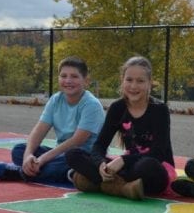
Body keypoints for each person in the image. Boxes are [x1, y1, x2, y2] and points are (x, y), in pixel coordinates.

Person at [65, 56, 175, 200]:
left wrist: (123, 160)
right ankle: (120, 187)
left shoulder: (159, 110)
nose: (133, 86)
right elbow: (99, 146)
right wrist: (101, 164)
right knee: (73, 154)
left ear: (149, 83)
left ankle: (102, 183)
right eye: (129, 80)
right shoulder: (117, 108)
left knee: (146, 166)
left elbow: (159, 152)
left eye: (140, 81)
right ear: (122, 81)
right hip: (127, 168)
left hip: (154, 168)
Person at [0, 56, 104, 183]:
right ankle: (66, 174)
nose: (68, 80)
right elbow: (39, 130)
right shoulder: (55, 100)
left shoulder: (91, 104)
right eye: (63, 76)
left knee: (70, 159)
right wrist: (28, 156)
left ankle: (21, 173)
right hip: (60, 153)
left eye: (74, 76)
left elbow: (77, 141)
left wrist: (42, 160)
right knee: (19, 150)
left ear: (86, 80)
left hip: (82, 156)